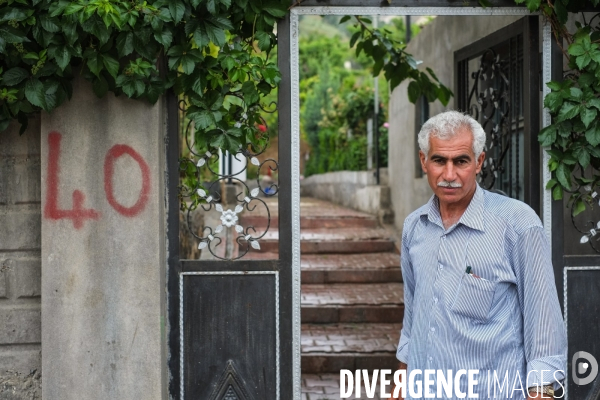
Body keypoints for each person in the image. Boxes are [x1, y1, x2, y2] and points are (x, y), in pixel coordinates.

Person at [389, 111, 567, 399]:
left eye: (461, 161)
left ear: (479, 162)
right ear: (424, 161)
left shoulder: (518, 225)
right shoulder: (415, 227)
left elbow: (545, 340)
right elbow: (413, 323)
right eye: (439, 160)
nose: (449, 175)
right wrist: (398, 390)